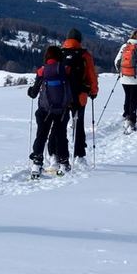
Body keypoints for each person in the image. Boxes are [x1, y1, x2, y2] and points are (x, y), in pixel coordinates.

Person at [27, 44, 72, 173]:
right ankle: (63, 162)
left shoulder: (42, 71)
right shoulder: (66, 70)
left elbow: (34, 93)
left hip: (45, 110)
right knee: (61, 135)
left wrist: (30, 91)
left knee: (41, 135)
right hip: (62, 110)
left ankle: (37, 162)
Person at [60, 28, 98, 163]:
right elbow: (91, 75)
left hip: (62, 96)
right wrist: (93, 91)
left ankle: (57, 154)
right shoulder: (84, 55)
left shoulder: (60, 53)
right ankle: (79, 154)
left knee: (60, 125)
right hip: (79, 96)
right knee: (78, 124)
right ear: (79, 40)